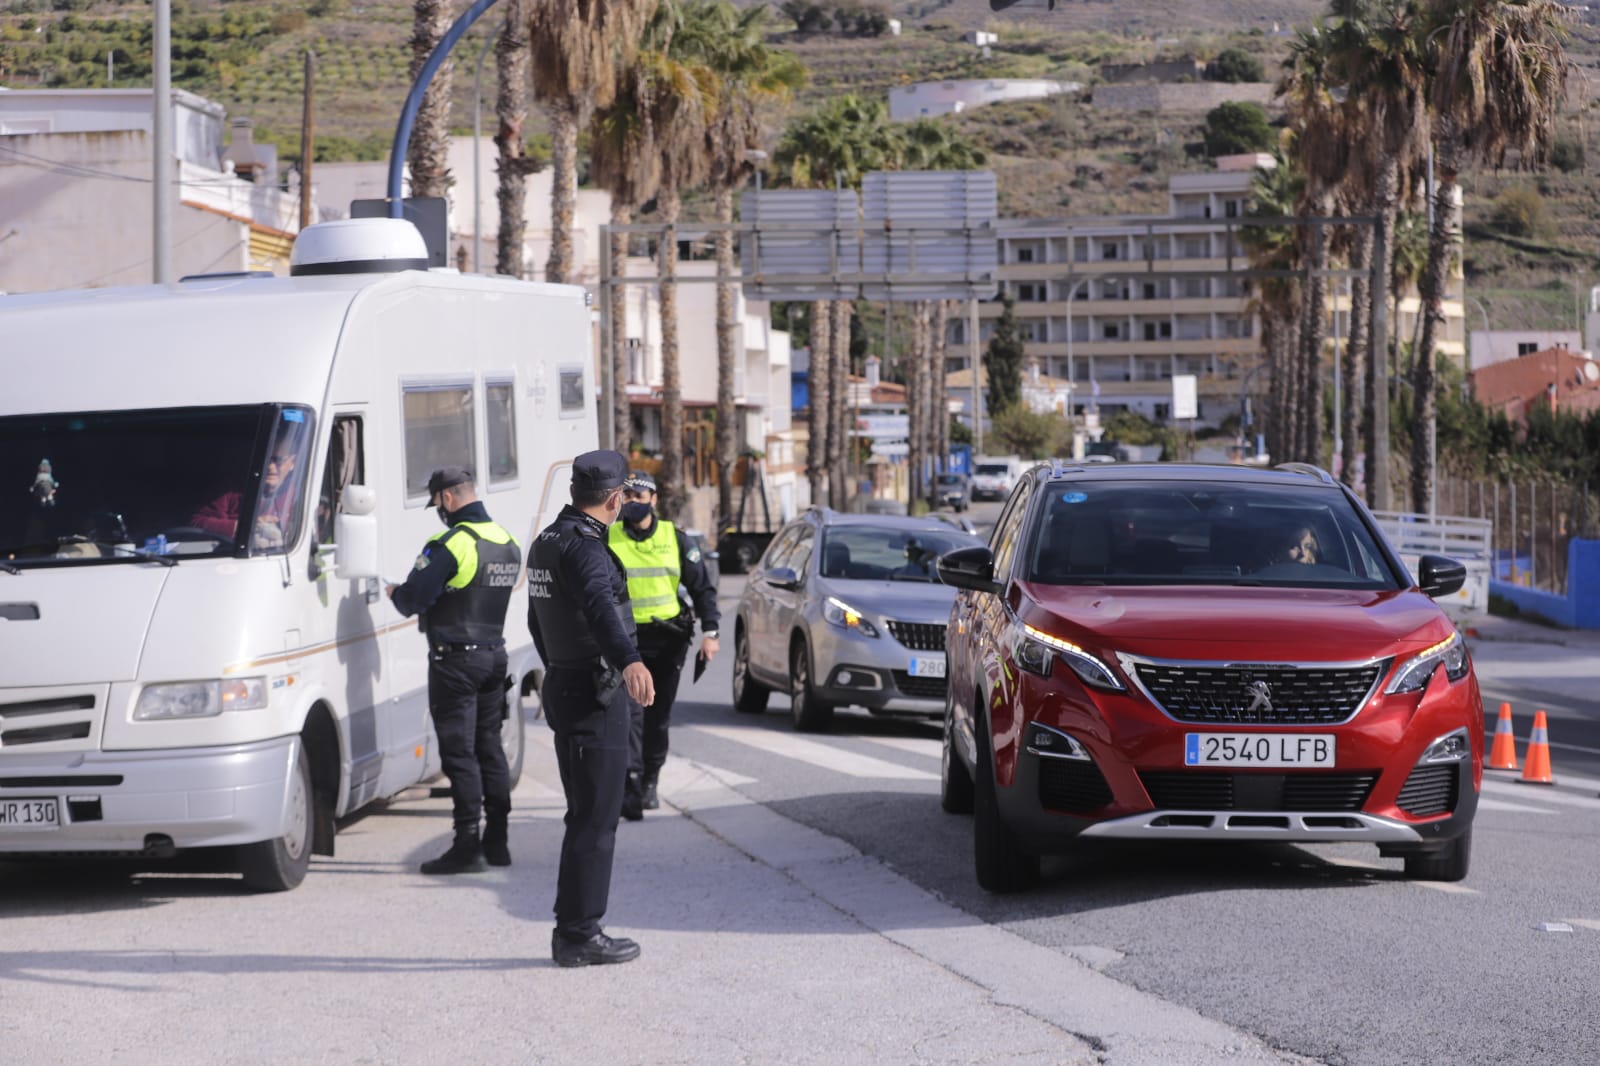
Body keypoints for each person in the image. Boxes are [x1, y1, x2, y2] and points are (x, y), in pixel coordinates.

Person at [527, 450, 656, 968]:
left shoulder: (548, 539)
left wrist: (556, 666)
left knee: (584, 815)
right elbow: (603, 608)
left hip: (566, 683)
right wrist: (628, 661)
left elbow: (537, 619)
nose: (627, 501)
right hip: (594, 693)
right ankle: (580, 934)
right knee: (597, 820)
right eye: (625, 493)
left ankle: (573, 927)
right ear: (614, 497)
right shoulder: (586, 550)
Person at [386, 467, 521, 875]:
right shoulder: (508, 542)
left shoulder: (451, 543)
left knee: (459, 754)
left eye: (437, 505)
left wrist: (394, 591)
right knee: (490, 747)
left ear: (447, 499)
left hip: (456, 661)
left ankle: (467, 845)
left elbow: (413, 599)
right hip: (495, 656)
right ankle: (498, 841)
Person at [609, 471, 720, 820]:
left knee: (657, 717)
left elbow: (702, 588)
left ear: (654, 500)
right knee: (630, 713)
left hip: (668, 640)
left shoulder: (677, 539)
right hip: (627, 642)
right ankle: (630, 781)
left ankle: (650, 782)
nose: (632, 504)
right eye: (626, 498)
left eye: (639, 498)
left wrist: (712, 632)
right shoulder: (607, 537)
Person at [193, 429, 303, 551]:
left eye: (278, 460)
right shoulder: (231, 489)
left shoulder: (300, 495)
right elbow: (197, 523)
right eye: (265, 459)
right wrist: (245, 527)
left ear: (293, 463)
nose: (270, 466)